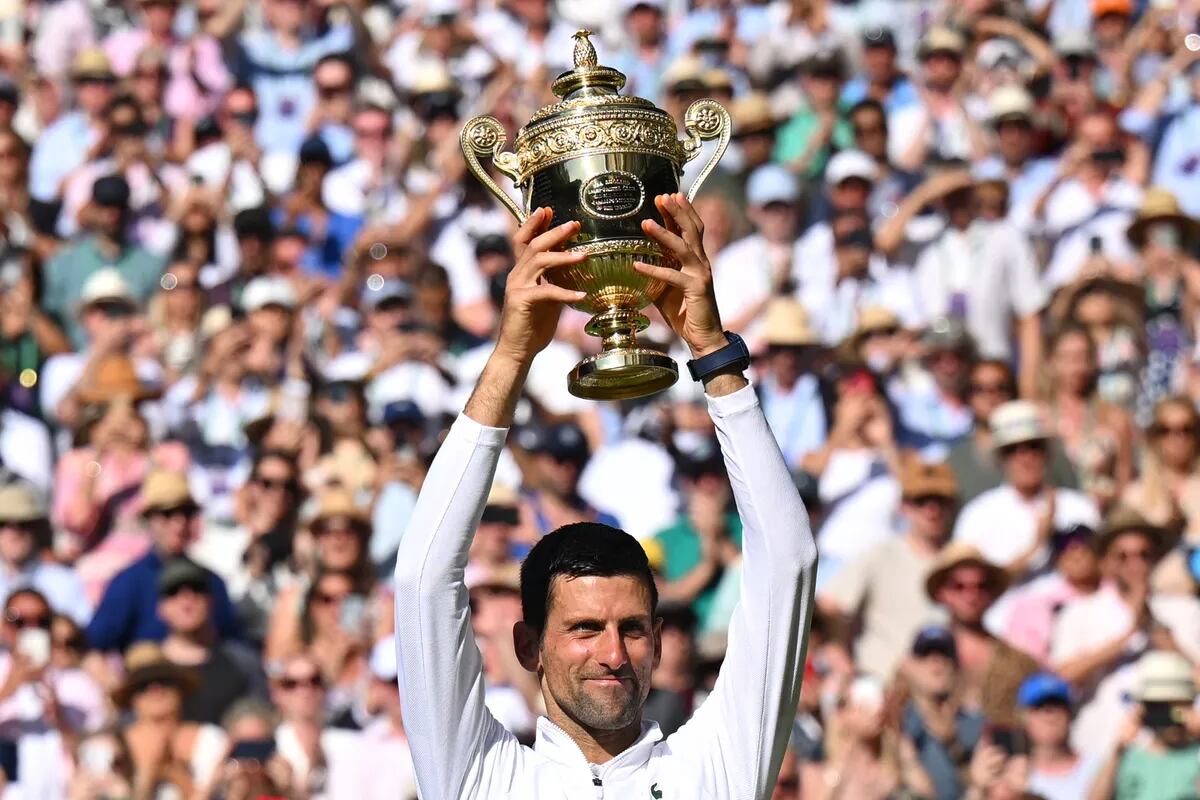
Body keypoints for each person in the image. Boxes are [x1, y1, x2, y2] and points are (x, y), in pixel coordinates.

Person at [394, 196, 818, 797]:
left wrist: (709, 348)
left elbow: (787, 563)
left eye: (634, 629)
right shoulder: (483, 775)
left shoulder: (712, 768)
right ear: (528, 645)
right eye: (585, 628)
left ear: (661, 640)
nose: (614, 654)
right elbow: (422, 581)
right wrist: (513, 355)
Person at [1051, 508, 1200, 755]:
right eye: (1123, 557)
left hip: (1171, 753)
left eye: (1144, 555)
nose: (1135, 565)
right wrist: (1126, 637)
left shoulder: (1185, 609)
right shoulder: (1079, 612)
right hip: (1100, 745)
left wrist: (1155, 630)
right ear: (1106, 562)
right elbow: (1062, 676)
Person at [819, 458, 956, 681]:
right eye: (921, 500)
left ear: (952, 504)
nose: (931, 509)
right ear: (904, 506)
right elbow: (828, 607)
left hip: (942, 685)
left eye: (940, 500)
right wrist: (837, 650)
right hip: (880, 683)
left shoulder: (960, 561)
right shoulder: (880, 553)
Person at [87, 470, 240, 651]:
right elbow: (93, 648)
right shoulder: (129, 583)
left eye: (186, 513)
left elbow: (233, 644)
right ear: (150, 520)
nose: (179, 523)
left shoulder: (212, 582)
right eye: (168, 514)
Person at [953, 400, 1100, 574]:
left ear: (1046, 452)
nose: (1025, 458)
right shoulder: (977, 517)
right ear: (1000, 458)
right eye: (1012, 450)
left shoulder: (1078, 507)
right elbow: (970, 587)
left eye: (1033, 447)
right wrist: (1038, 544)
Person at [925, 543, 1039, 727]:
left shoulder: (1020, 664)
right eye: (959, 586)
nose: (971, 596)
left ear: (991, 592)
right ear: (942, 593)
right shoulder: (920, 660)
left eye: (981, 586)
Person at [157, 557, 266, 725]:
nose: (187, 601)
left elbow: (261, 722)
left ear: (210, 600)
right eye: (174, 592)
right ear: (161, 608)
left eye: (197, 590)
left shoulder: (244, 662)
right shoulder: (148, 670)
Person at [1087, 650, 1200, 800]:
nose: (1170, 715)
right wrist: (1118, 749)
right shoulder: (1127, 758)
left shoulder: (1196, 754)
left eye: (1178, 705)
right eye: (1160, 706)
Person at [900, 625, 985, 800]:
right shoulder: (895, 722)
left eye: (944, 654)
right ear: (910, 665)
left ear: (956, 666)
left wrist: (953, 745)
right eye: (926, 654)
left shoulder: (976, 726)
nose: (936, 661)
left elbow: (982, 785)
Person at [0, 482, 90, 623]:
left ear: (37, 530)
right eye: (4, 524)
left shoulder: (65, 582)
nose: (14, 533)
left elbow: (80, 635)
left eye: (24, 524)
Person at [1015, 672, 1102, 800]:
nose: (1050, 715)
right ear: (1025, 718)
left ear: (1070, 714)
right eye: (1040, 706)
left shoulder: (1098, 768)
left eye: (1057, 705)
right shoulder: (1016, 780)